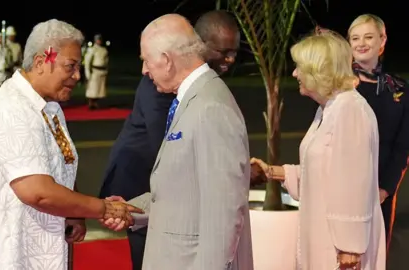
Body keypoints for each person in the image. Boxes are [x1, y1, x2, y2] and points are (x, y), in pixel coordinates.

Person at [0, 19, 142, 270]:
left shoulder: (48, 107)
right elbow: (37, 191)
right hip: (6, 252)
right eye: (70, 66)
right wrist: (102, 208)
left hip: (36, 242)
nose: (77, 76)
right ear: (41, 62)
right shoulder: (14, 109)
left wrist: (74, 212)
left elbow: (61, 161)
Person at [105, 14, 252, 270]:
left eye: (146, 61)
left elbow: (224, 214)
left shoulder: (210, 108)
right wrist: (133, 210)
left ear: (166, 60)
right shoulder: (190, 99)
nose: (144, 70)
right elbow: (183, 192)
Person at [251, 31, 385, 269]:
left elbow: (353, 184)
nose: (294, 74)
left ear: (319, 70)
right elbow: (324, 173)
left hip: (340, 249)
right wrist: (271, 172)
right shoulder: (329, 109)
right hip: (326, 238)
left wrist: (349, 249)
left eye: (300, 67)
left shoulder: (349, 111)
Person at [347, 14, 409, 251]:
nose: (361, 43)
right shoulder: (336, 86)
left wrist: (385, 189)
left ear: (382, 41)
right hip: (342, 188)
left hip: (380, 192)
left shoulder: (400, 90)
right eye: (355, 38)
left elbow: (403, 146)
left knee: (376, 254)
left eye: (369, 37)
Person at [84, 34, 109, 109]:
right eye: (98, 39)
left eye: (100, 39)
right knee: (93, 88)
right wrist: (87, 73)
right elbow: (87, 62)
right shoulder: (92, 49)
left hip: (102, 71)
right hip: (94, 71)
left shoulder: (104, 50)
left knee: (100, 89)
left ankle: (95, 102)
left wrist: (106, 70)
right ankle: (91, 103)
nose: (99, 41)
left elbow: (106, 61)